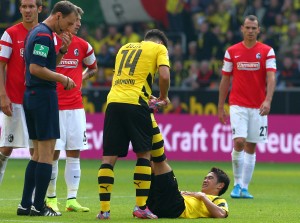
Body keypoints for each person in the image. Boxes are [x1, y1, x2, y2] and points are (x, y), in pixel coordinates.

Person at [97, 29, 171, 220]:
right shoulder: (159, 49)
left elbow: (124, 79)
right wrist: (163, 97)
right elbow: (164, 76)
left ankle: (104, 210)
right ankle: (141, 207)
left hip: (113, 102)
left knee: (108, 158)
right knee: (144, 154)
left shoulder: (124, 48)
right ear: (160, 44)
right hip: (136, 104)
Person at [17, 1, 78, 217]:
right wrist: (62, 78)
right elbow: (36, 68)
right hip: (43, 96)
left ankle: (25, 205)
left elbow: (43, 65)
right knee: (46, 154)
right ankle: (39, 206)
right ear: (58, 15)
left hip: (32, 96)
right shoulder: (44, 35)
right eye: (68, 23)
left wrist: (62, 51)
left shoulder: (37, 32)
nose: (68, 28)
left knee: (36, 156)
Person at [218, 15, 276, 199]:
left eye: (254, 28)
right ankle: (236, 185)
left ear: (258, 30)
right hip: (238, 105)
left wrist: (267, 100)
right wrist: (221, 106)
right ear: (242, 28)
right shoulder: (232, 51)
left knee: (251, 146)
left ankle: (244, 187)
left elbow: (271, 78)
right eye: (248, 27)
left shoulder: (267, 51)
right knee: (239, 142)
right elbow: (225, 80)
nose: (250, 31)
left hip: (258, 106)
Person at [45, 6, 97, 213]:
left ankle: (72, 200)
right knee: (54, 153)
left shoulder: (84, 46)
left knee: (74, 151)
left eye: (79, 22)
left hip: (76, 107)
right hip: (54, 105)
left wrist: (81, 79)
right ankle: (51, 198)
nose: (77, 25)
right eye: (75, 21)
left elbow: (93, 68)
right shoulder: (49, 40)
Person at [0, 0, 42, 185]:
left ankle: (36, 201)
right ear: (19, 9)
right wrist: (2, 95)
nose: (27, 10)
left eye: (31, 6)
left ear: (39, 9)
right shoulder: (11, 33)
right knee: (5, 149)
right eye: (24, 7)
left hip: (38, 101)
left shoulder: (45, 33)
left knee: (38, 151)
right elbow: (1, 65)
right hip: (15, 100)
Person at [147, 162, 230, 218]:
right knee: (151, 164)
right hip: (157, 207)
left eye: (210, 178)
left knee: (160, 162)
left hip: (176, 208)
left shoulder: (218, 200)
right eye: (205, 178)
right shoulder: (194, 194)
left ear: (220, 185)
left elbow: (221, 214)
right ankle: (142, 206)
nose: (205, 180)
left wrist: (203, 197)